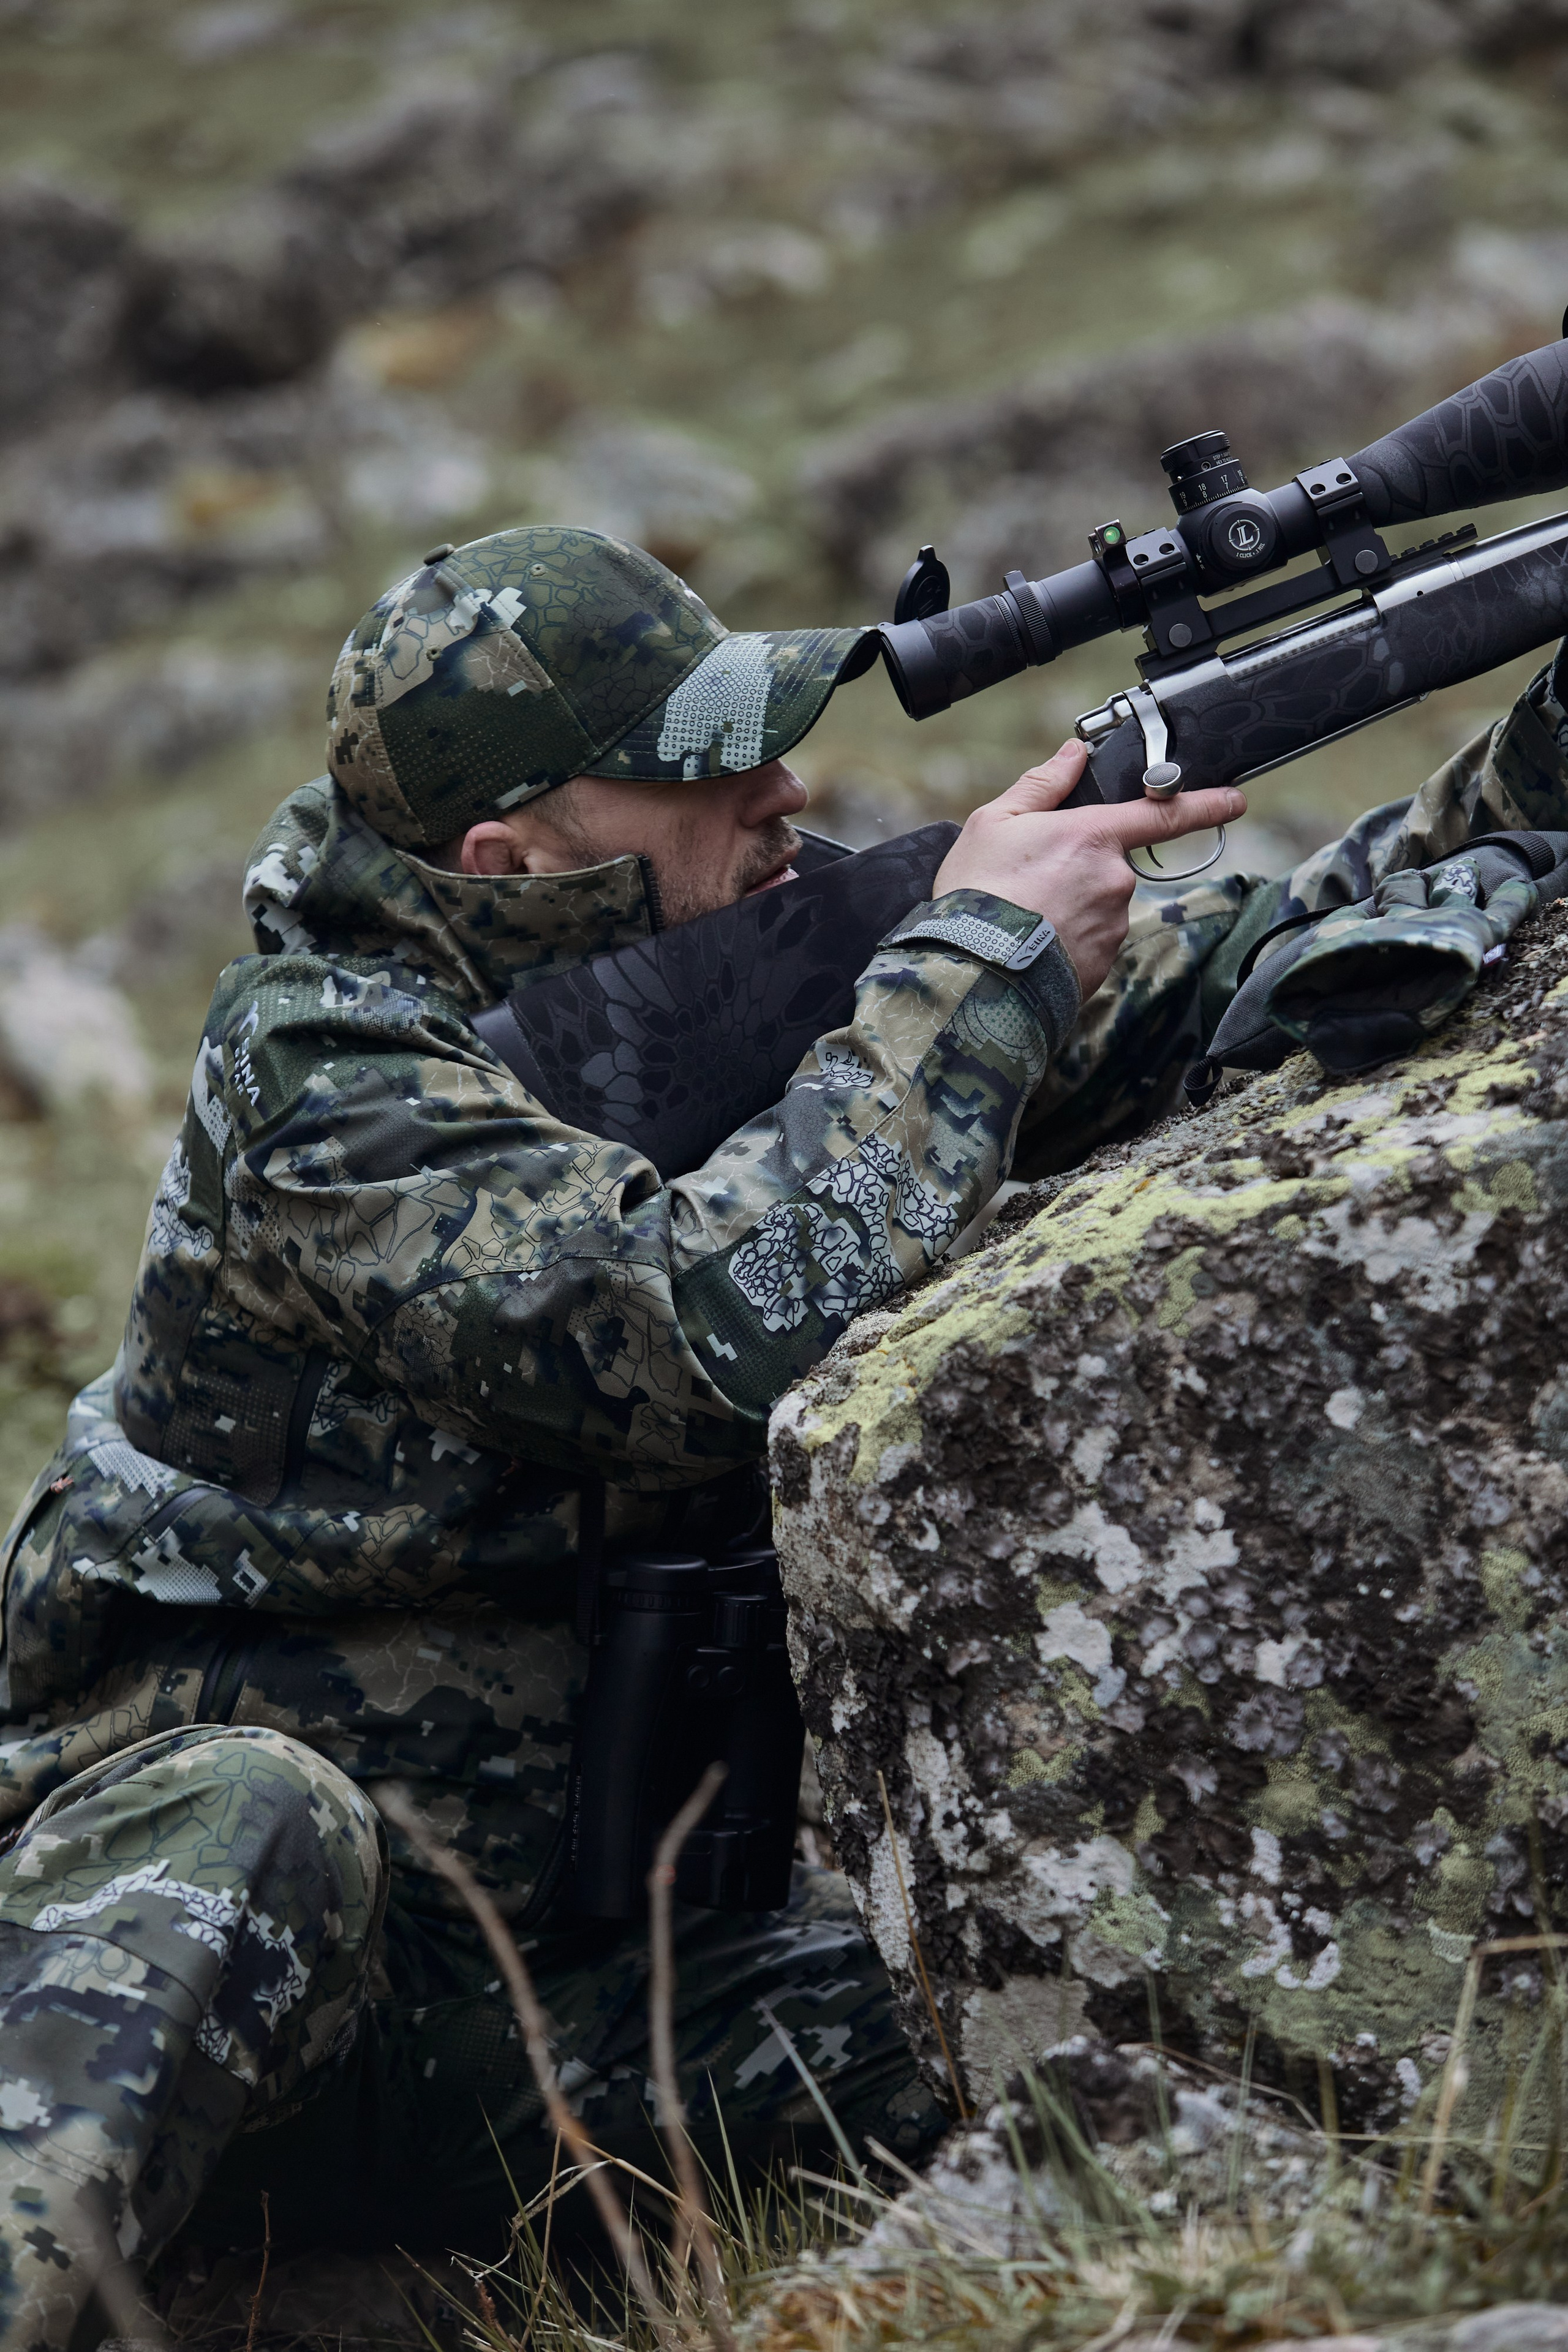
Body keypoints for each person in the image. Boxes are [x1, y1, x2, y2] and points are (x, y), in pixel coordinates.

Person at [0, 519, 1558, 2350]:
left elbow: (1279, 955)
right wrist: (979, 963)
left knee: (1039, 2034)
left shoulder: (729, 970)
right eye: (700, 774)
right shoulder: (321, 1080)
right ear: (518, 862)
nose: (781, 790)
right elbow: (698, 1325)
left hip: (562, 1990)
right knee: (256, 1815)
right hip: (203, 1957)